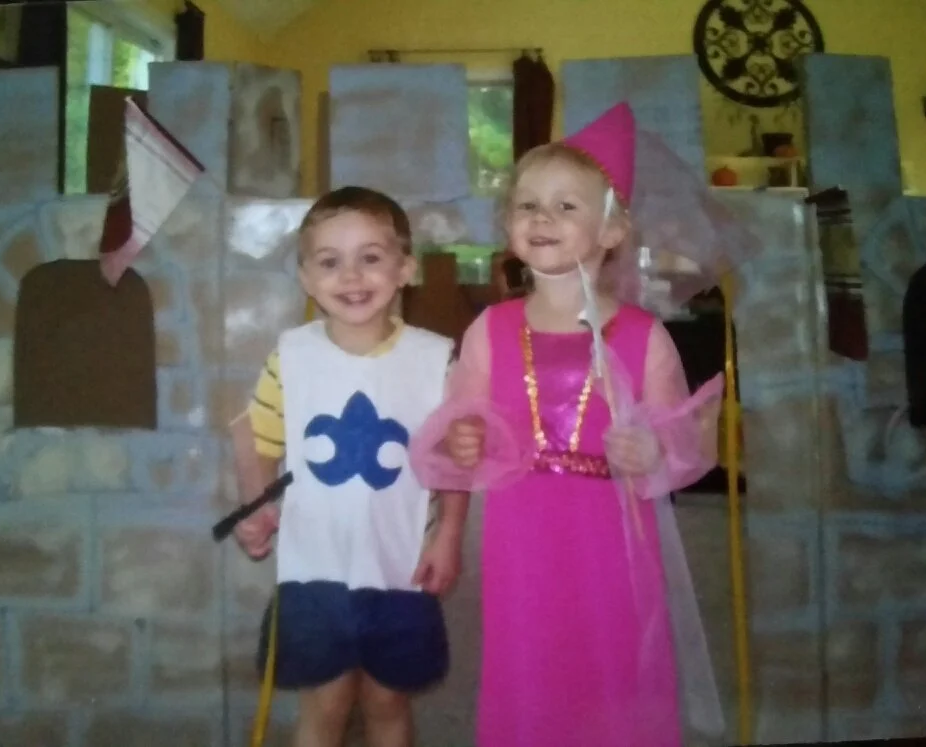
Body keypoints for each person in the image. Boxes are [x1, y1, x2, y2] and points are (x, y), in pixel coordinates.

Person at [411, 102, 737, 747]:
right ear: (508, 224)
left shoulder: (644, 337)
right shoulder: (489, 330)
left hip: (611, 539)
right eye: (527, 205)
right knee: (528, 667)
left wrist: (651, 451)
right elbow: (456, 432)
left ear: (612, 229)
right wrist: (461, 455)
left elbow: (683, 441)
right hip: (521, 539)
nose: (542, 218)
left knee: (611, 671)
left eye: (566, 206)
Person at [234, 186, 469, 747]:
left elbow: (454, 461)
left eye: (371, 257)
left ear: (405, 268)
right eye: (329, 262)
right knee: (326, 702)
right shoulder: (291, 357)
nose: (351, 277)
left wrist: (449, 536)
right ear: (306, 278)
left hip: (401, 563)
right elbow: (256, 436)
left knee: (388, 702)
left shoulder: (436, 360)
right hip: (318, 566)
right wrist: (257, 505)